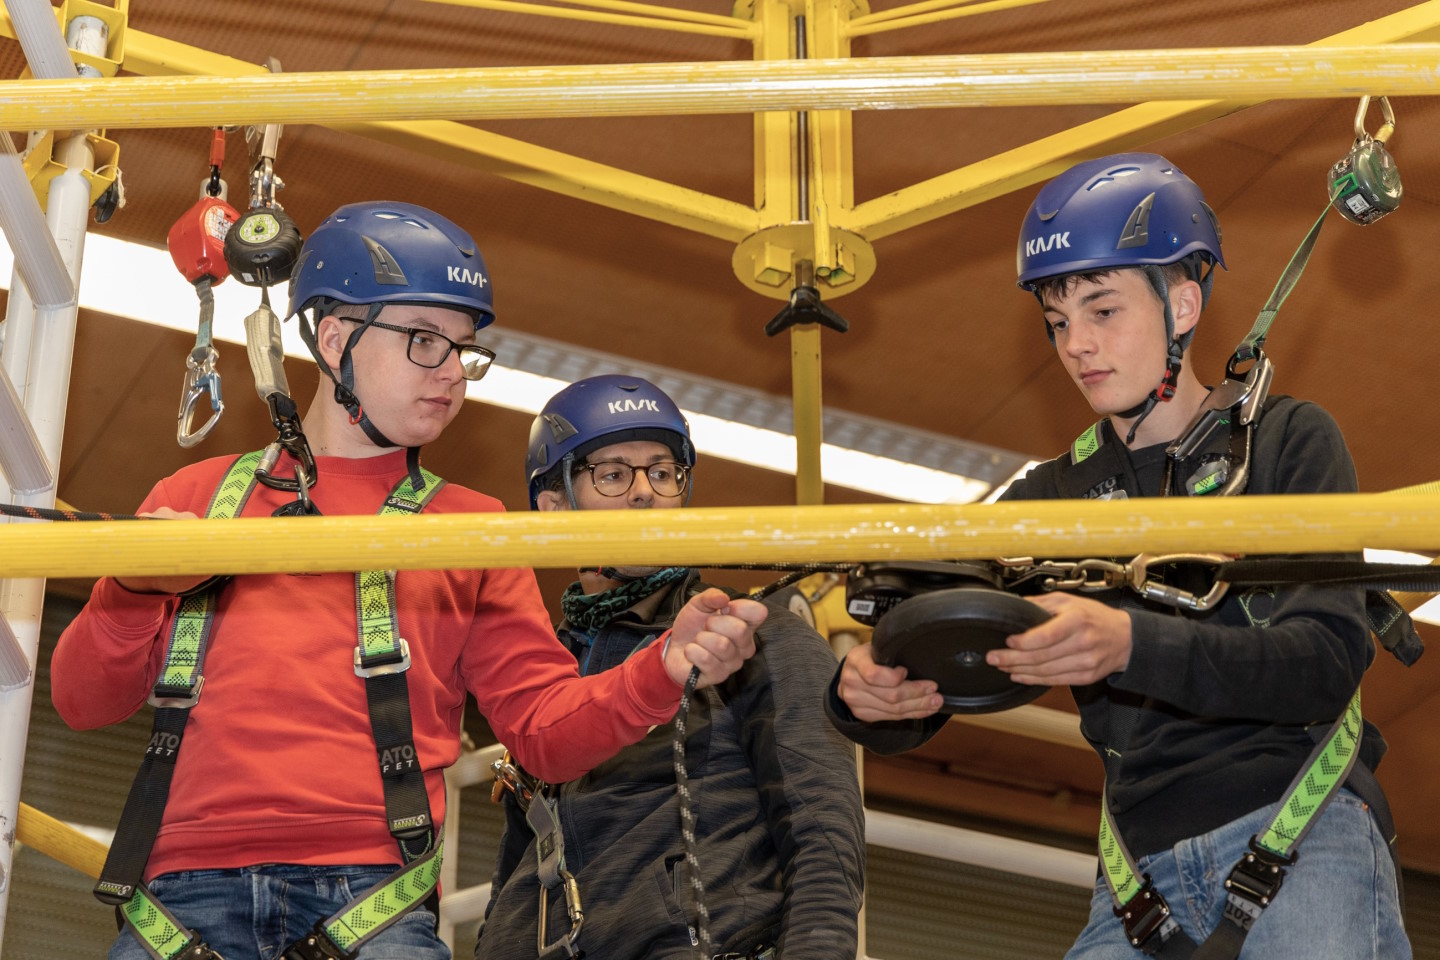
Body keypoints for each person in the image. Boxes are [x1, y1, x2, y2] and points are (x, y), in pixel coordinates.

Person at [51, 202, 764, 960]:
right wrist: (128, 587)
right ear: (335, 339)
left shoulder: (472, 528)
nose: (453, 373)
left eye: (464, 350)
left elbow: (545, 733)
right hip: (180, 904)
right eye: (426, 341)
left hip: (370, 907)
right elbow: (83, 702)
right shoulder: (195, 498)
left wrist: (660, 668)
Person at [826, 154, 1410, 959]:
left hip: (1301, 835)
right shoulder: (1047, 500)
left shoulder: (1285, 442)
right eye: (1060, 322)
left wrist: (1130, 643)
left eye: (1103, 311)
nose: (1077, 345)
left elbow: (1324, 660)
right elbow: (947, 637)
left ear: (1183, 304)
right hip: (1136, 883)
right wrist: (872, 693)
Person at [475, 374, 865, 960]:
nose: (644, 493)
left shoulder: (753, 634)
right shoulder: (536, 675)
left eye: (662, 472)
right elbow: (518, 867)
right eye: (612, 474)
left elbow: (824, 839)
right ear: (553, 505)